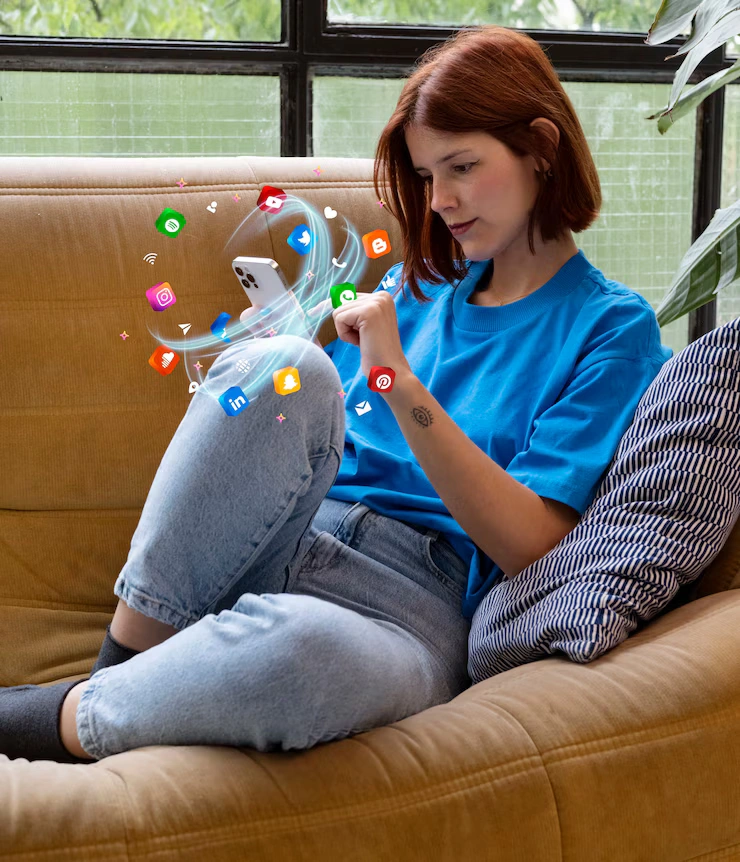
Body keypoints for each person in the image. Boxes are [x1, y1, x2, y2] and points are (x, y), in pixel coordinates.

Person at [0, 24, 672, 764]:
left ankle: (67, 717)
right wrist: (272, 358)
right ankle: (119, 672)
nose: (440, 199)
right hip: (292, 531)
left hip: (414, 612)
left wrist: (396, 381)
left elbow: (531, 546)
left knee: (303, 657)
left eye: (462, 166)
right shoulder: (417, 286)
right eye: (425, 176)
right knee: (288, 363)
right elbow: (312, 433)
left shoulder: (613, 328)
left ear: (541, 147)